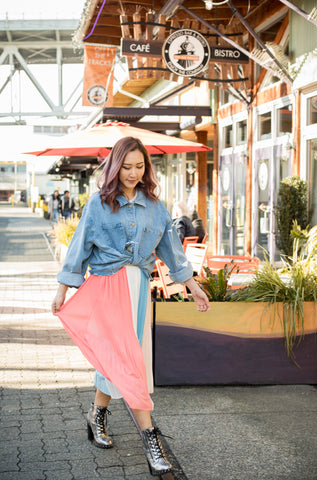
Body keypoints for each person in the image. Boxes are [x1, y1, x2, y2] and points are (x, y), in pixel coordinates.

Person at [51, 137, 210, 476]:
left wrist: (193, 286)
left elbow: (171, 251)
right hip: (107, 287)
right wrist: (63, 289)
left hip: (138, 290)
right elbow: (79, 245)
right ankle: (150, 438)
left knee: (120, 358)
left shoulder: (155, 206)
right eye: (126, 166)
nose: (133, 173)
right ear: (114, 166)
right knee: (127, 360)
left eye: (140, 166)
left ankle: (96, 417)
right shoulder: (99, 204)